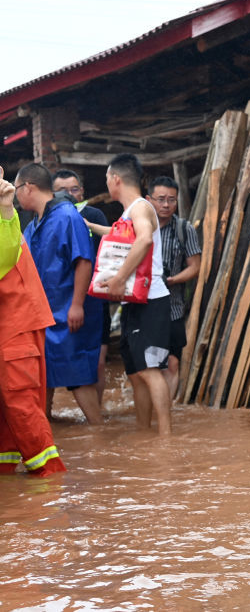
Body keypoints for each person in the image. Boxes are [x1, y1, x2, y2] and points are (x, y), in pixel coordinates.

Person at [87, 154, 173, 435]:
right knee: (137, 374)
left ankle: (166, 438)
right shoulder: (130, 212)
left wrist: (119, 278)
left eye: (106, 179)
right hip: (136, 302)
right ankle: (144, 431)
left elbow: (145, 239)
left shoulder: (139, 207)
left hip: (152, 300)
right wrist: (87, 227)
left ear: (116, 179)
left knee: (150, 369)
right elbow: (114, 234)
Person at [14, 163, 103, 425]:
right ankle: (45, 426)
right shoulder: (33, 224)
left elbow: (84, 261)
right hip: (43, 312)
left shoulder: (66, 216)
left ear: (28, 187)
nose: (17, 197)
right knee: (44, 373)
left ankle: (98, 430)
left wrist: (77, 304)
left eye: (17, 189)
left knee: (76, 374)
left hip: (67, 309)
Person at [0, 167, 67, 477]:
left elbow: (4, 256)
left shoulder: (6, 220)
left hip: (14, 327)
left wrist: (4, 207)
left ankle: (49, 484)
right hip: (14, 325)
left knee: (20, 404)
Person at [52, 169, 111, 407]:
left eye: (73, 189)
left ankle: (94, 419)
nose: (69, 194)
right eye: (62, 191)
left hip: (95, 299)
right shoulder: (48, 218)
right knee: (57, 359)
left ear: (82, 191)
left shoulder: (94, 214)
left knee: (97, 361)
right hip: (61, 302)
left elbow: (108, 253)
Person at [146, 176, 201, 401]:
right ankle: (147, 409)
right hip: (144, 309)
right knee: (148, 364)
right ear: (149, 200)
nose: (166, 205)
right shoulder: (140, 228)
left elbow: (195, 267)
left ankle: (165, 411)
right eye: (161, 199)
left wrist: (171, 280)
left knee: (172, 362)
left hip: (172, 309)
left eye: (171, 200)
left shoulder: (183, 229)